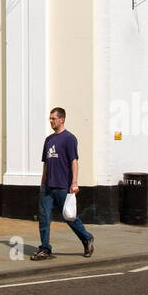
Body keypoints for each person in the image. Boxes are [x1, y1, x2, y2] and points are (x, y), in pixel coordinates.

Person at [30, 107, 95, 260]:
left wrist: (74, 183)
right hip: (47, 187)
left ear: (62, 119)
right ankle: (45, 248)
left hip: (62, 186)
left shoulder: (69, 138)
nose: (51, 121)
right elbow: (46, 163)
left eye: (53, 118)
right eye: (50, 118)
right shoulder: (48, 140)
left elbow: (74, 161)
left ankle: (86, 238)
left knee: (69, 216)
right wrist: (42, 183)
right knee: (44, 217)